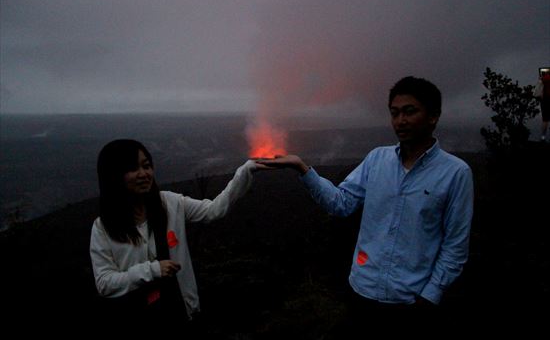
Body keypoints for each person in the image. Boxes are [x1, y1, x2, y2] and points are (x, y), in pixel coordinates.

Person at [258, 76, 474, 322]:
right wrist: (302, 169)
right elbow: (341, 204)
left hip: (411, 302)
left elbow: (455, 245)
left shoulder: (456, 173)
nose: (400, 121)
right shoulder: (376, 160)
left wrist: (431, 294)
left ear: (433, 116)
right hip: (361, 292)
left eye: (409, 112)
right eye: (394, 113)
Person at [90, 139, 268, 322]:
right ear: (113, 175)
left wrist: (245, 170)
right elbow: (105, 283)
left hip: (181, 314)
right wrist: (152, 270)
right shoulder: (103, 227)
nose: (144, 174)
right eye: (133, 169)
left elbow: (213, 210)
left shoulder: (170, 203)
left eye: (147, 166)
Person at [534, 69, 550, 142]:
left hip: (545, 101)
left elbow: (538, 91)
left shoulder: (543, 78)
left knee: (545, 120)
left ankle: (543, 136)